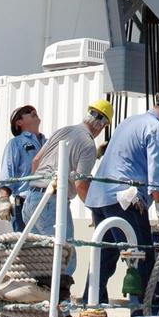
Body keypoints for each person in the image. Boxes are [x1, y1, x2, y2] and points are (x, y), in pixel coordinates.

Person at [84, 91, 159, 309]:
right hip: (125, 199)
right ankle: (143, 313)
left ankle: (91, 307)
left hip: (99, 197)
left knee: (104, 256)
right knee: (142, 256)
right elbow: (157, 177)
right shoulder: (158, 130)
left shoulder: (130, 121)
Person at [22, 99, 112, 277]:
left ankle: (39, 301)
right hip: (52, 202)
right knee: (65, 258)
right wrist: (94, 210)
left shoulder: (63, 131)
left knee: (37, 259)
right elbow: (80, 184)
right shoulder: (87, 144)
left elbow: (36, 161)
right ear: (103, 125)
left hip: (31, 199)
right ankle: (60, 302)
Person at [0, 105, 43, 232]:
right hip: (24, 203)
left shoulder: (48, 142)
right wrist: (4, 200)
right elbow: (8, 172)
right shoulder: (16, 143)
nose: (34, 112)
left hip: (47, 203)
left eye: (35, 111)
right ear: (18, 122)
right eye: (27, 112)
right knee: (25, 247)